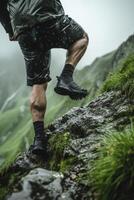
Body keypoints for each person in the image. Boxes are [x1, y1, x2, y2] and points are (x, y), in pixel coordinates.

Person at [0, 0, 89, 154]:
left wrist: (10, 29)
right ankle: (66, 78)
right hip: (48, 15)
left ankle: (40, 140)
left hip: (22, 27)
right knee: (81, 38)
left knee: (38, 83)